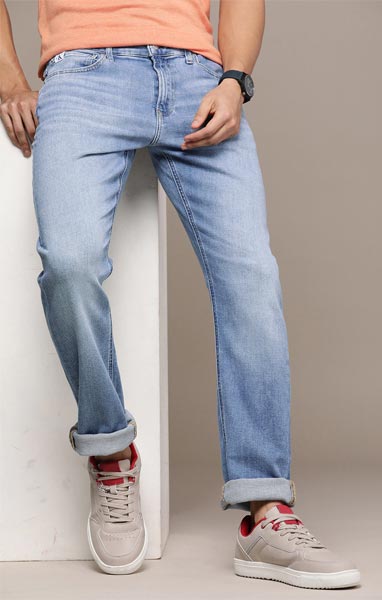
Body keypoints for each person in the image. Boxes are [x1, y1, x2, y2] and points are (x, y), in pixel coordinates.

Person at [0, 0, 360, 589]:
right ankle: (111, 452)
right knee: (69, 263)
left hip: (196, 78)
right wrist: (11, 82)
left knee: (251, 275)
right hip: (83, 77)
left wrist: (235, 80)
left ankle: (266, 511)